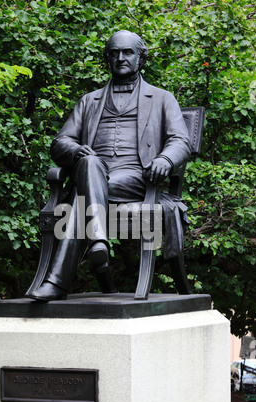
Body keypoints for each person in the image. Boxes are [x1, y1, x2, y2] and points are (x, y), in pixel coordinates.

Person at [27, 30, 191, 301]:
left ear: (140, 58)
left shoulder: (162, 98)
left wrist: (165, 159)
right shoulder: (89, 101)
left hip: (137, 178)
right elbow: (59, 143)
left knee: (83, 196)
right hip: (95, 172)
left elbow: (180, 140)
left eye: (127, 52)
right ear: (107, 59)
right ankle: (99, 239)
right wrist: (77, 149)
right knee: (90, 163)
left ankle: (58, 282)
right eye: (114, 53)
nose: (120, 58)